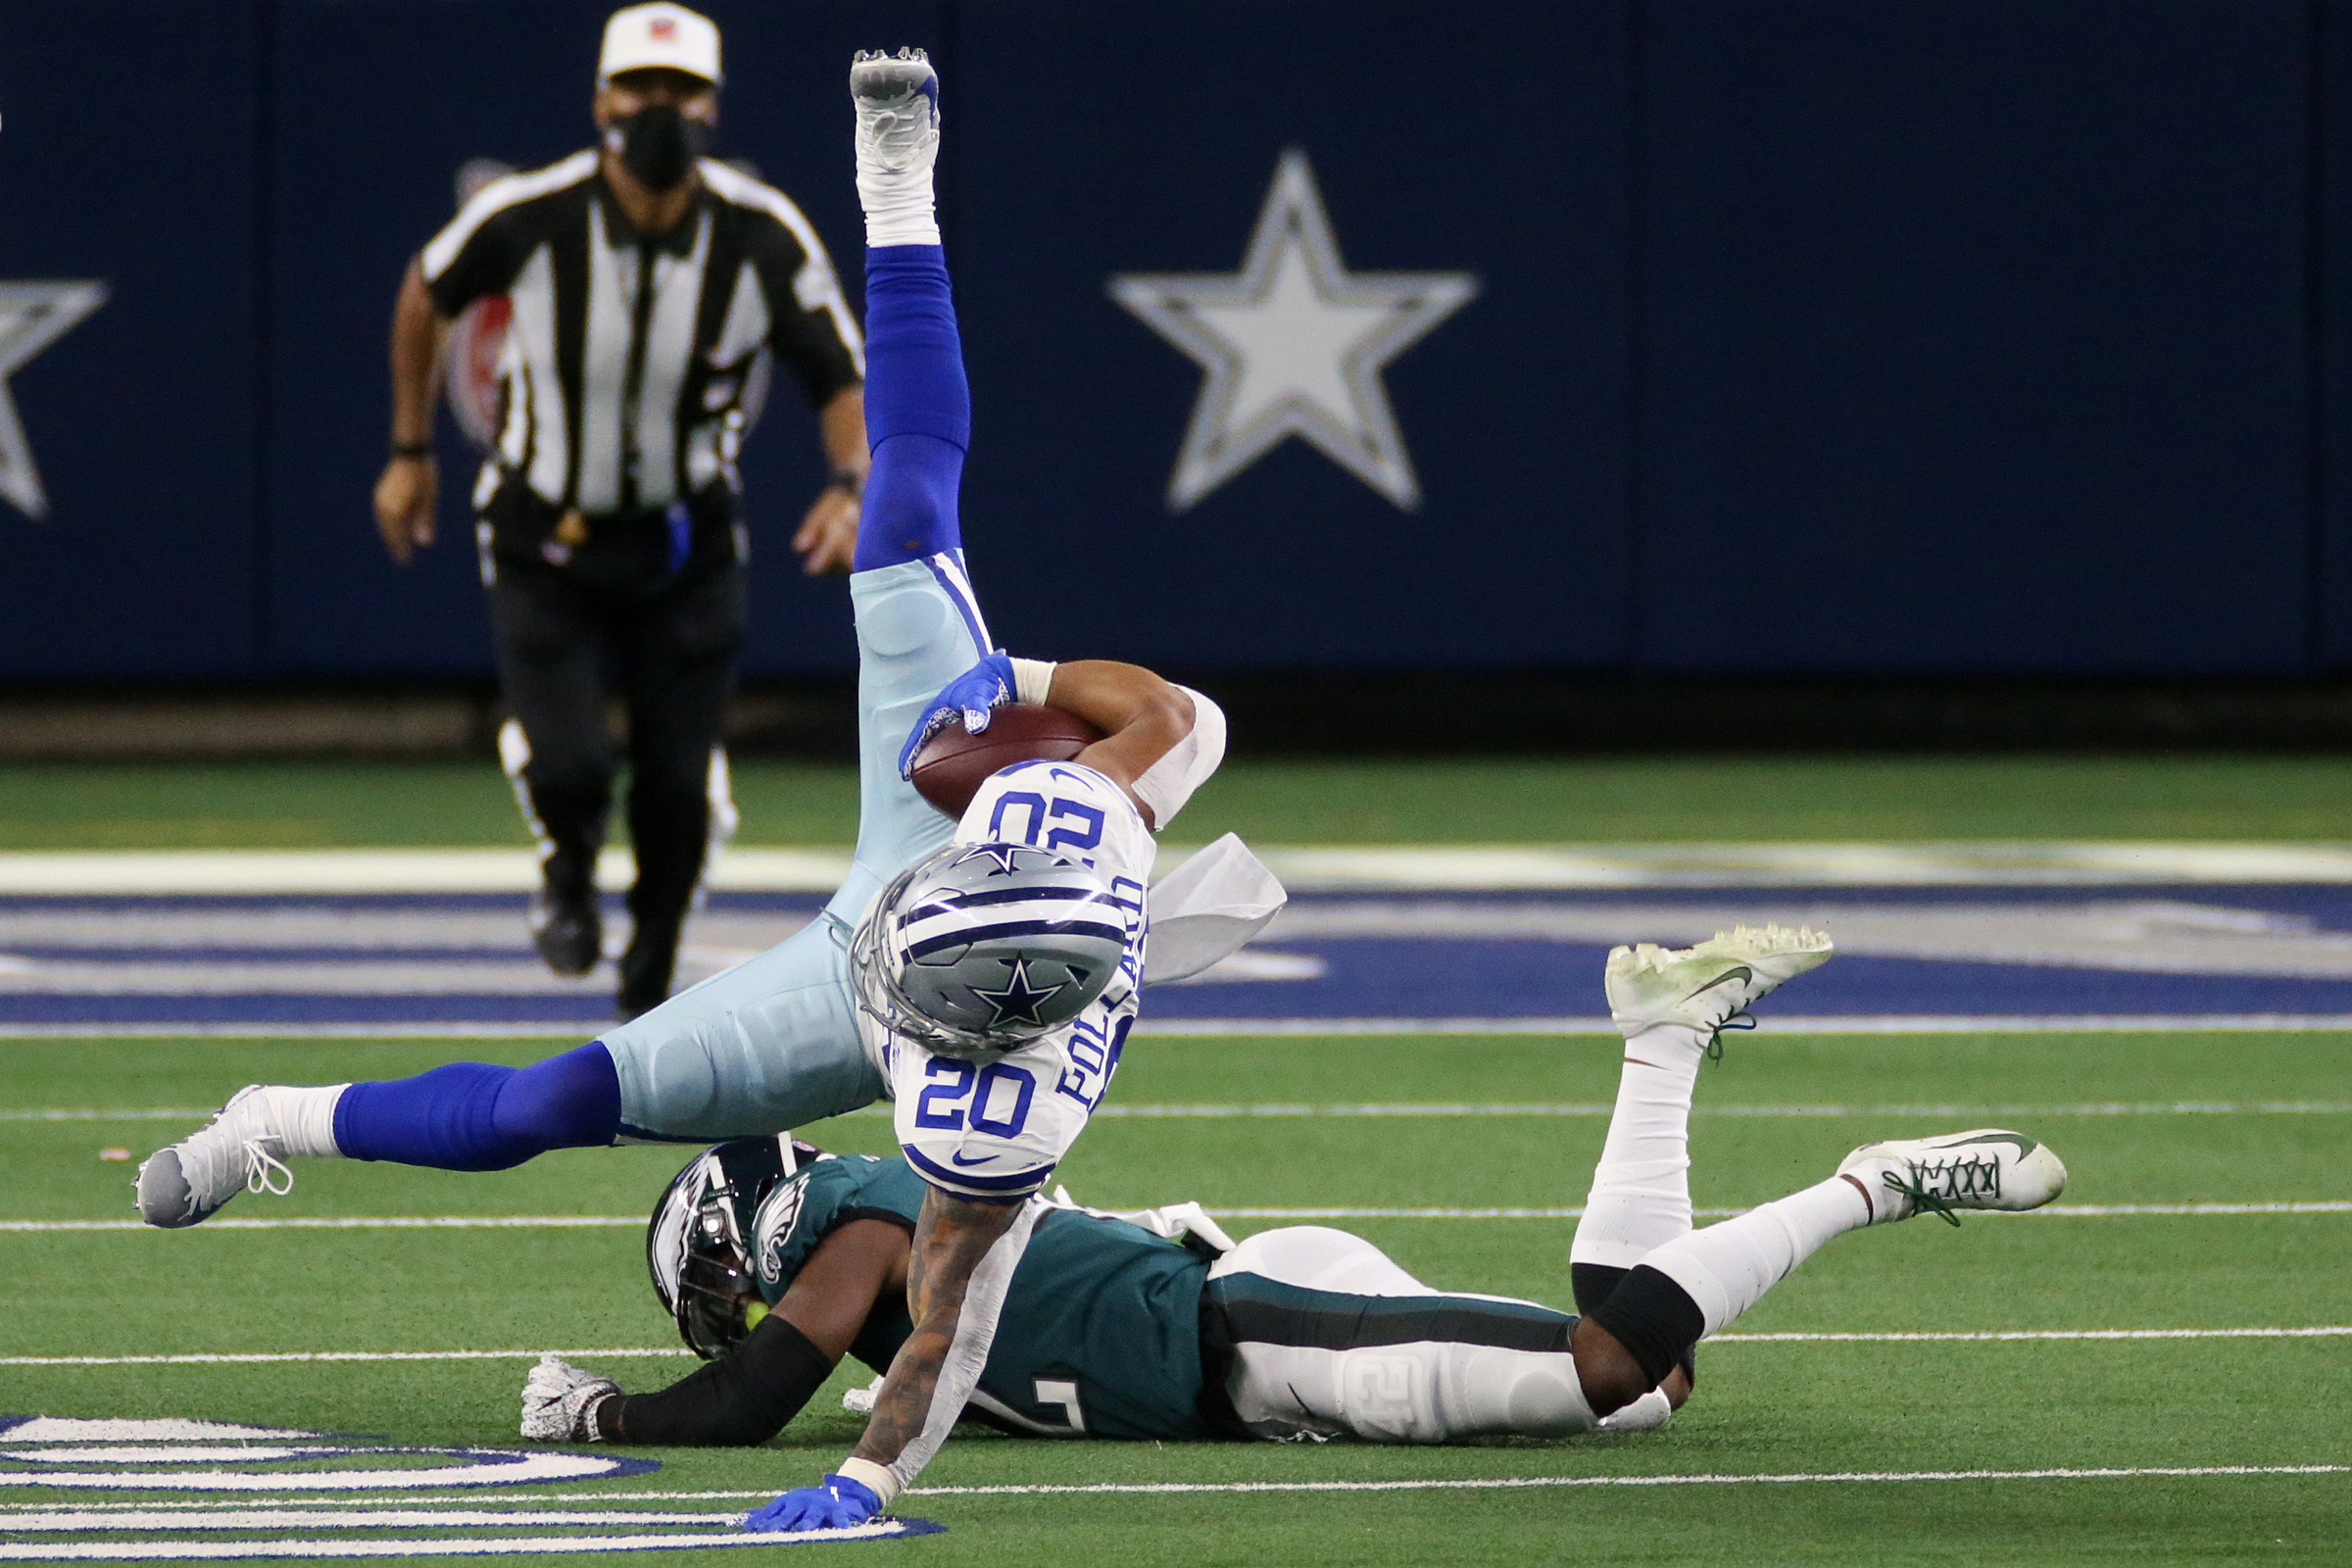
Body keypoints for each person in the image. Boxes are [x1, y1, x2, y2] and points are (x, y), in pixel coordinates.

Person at [139, 40, 1284, 1521]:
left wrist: (870, 1481)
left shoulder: (1002, 1106)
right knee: (908, 488)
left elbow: (952, 1323)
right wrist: (1034, 683)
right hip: (907, 832)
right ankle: (899, 187)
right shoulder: (1084, 819)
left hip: (870, 999)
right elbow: (1182, 717)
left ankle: (275, 1114)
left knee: (545, 1106)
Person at [514, 925, 2068, 1481]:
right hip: (1250, 1347)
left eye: (715, 1285)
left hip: (1255, 1329)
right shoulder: (861, 1214)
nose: (735, 1312)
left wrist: (606, 1420)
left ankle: (1876, 1182)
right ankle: (1662, 1042)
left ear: (742, 1230)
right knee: (1642, 1384)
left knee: (1611, 1375)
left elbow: (745, 1405)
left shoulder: (849, 1224)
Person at [371, 3, 874, 1018]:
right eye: (639, 89)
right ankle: (565, 859)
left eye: (680, 91)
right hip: (541, 532)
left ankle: (647, 984)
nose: (658, 110)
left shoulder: (759, 232)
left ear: (712, 106)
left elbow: (838, 367)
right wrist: (410, 451)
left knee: (677, 799)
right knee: (570, 765)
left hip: (688, 543)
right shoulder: (535, 211)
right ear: (602, 98)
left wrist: (851, 484)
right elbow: (427, 289)